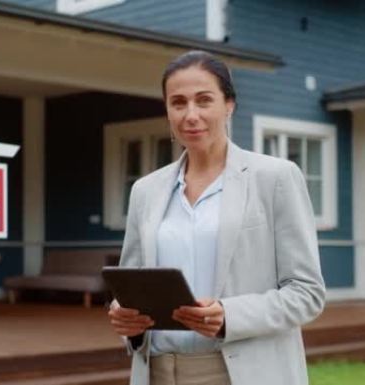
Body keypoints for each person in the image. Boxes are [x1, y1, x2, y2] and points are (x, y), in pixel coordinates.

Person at [107, 50, 325, 385]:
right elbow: (133, 288)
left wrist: (230, 316)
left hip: (240, 373)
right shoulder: (145, 191)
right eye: (178, 102)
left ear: (229, 105)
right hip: (157, 373)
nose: (190, 114)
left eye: (204, 100)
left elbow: (306, 293)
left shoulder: (275, 177)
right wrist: (128, 323)